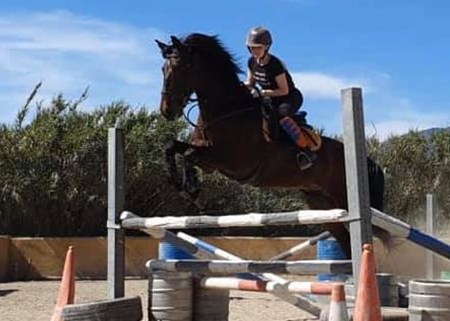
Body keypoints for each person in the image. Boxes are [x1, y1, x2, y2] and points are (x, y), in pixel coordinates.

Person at [245, 26, 316, 170]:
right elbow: (250, 83)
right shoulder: (251, 62)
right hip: (271, 99)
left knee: (281, 117)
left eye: (258, 47)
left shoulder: (275, 64)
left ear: (267, 47)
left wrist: (263, 93)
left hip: (289, 98)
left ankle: (306, 151)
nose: (254, 51)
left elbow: (284, 90)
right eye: (251, 47)